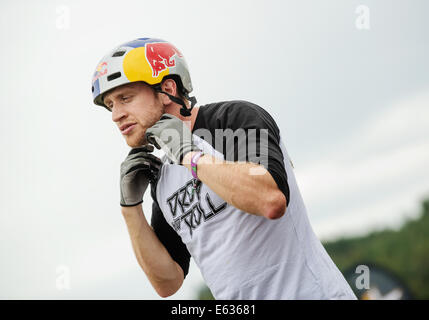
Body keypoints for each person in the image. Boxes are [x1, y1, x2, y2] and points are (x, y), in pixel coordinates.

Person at [91, 37, 357, 300]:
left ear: (168, 89)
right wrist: (130, 209)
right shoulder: (162, 175)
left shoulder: (233, 120)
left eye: (125, 98)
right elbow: (168, 283)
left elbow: (270, 200)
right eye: (111, 105)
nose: (116, 115)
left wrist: (190, 156)